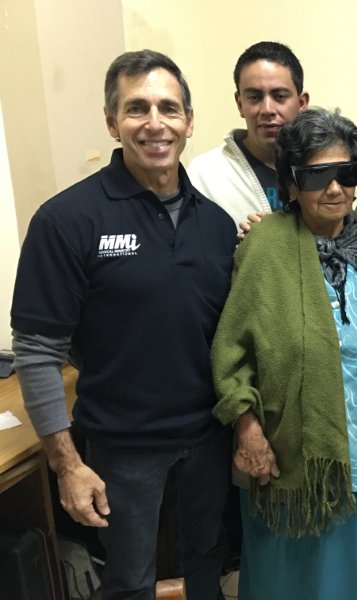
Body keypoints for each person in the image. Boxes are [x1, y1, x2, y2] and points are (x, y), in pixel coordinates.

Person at [10, 50, 236, 599]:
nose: (155, 123)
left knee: (208, 565)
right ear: (112, 122)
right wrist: (66, 464)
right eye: (137, 109)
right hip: (123, 449)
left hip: (208, 439)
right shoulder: (67, 220)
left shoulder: (217, 224)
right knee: (130, 581)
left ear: (189, 120)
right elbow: (38, 349)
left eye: (169, 108)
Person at [211, 108, 357, 600]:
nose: (335, 189)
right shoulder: (264, 245)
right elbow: (231, 354)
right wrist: (249, 432)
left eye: (347, 173)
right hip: (289, 458)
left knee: (349, 576)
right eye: (316, 175)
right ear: (290, 184)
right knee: (288, 578)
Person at [188, 41, 309, 223]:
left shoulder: (322, 168)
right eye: (254, 97)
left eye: (280, 96)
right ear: (240, 104)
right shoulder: (204, 175)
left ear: (301, 104)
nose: (267, 109)